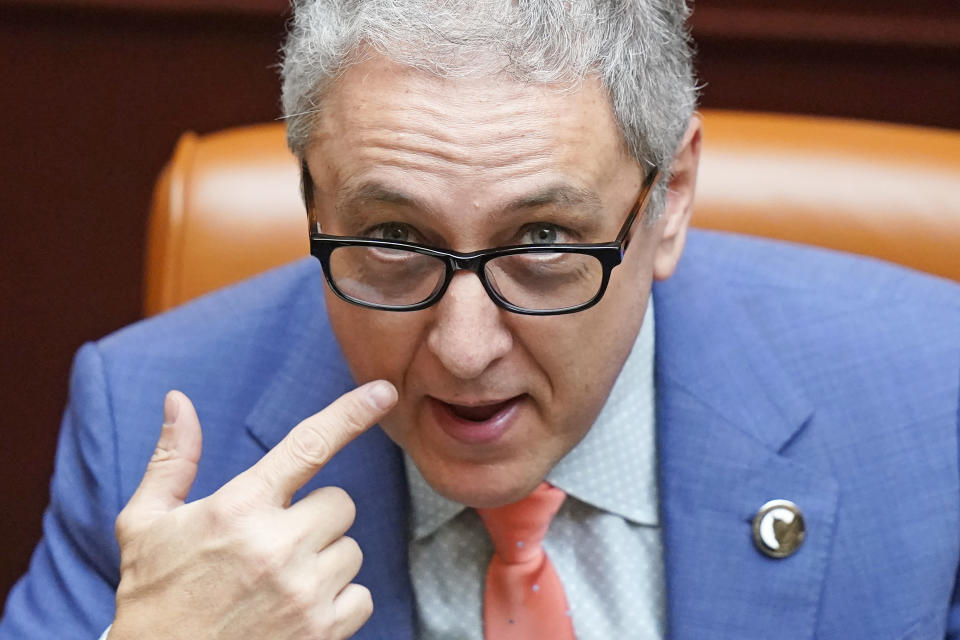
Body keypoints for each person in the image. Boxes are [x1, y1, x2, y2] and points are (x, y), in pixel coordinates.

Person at [2, 1, 960, 638]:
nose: (464, 350)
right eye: (391, 236)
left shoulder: (931, 401)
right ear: (312, 202)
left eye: (543, 240)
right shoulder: (147, 428)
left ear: (668, 200)